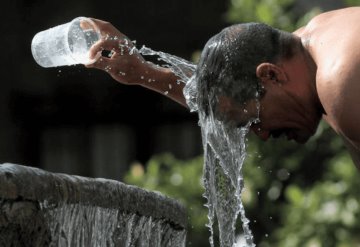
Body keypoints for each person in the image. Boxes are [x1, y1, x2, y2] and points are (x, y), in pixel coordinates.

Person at [86, 7, 360, 169]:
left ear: (271, 75)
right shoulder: (313, 46)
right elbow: (224, 94)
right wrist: (143, 72)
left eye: (253, 120)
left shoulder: (342, 85)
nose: (262, 134)